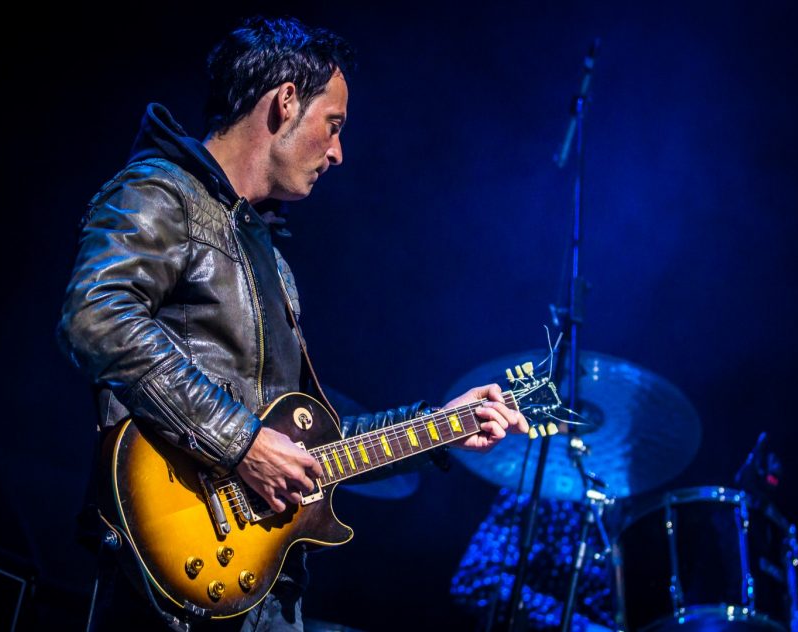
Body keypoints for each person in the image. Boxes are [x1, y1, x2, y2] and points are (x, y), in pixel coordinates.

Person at [57, 16, 528, 631]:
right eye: (333, 125)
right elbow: (96, 316)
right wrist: (241, 442)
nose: (338, 153)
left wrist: (440, 426)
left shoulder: (272, 262)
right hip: (170, 579)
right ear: (284, 102)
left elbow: (312, 445)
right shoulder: (160, 192)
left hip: (267, 590)